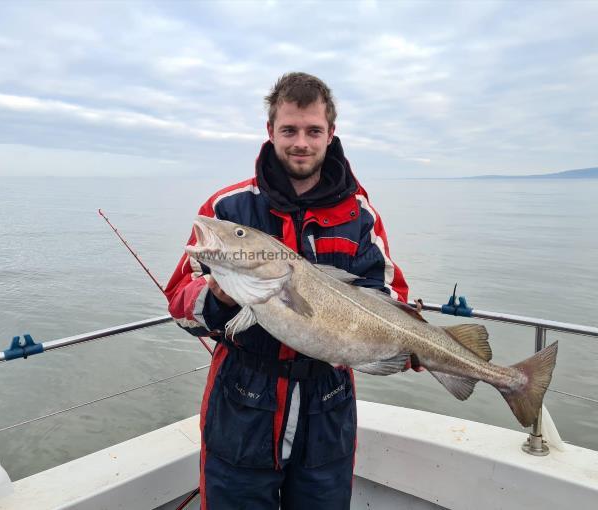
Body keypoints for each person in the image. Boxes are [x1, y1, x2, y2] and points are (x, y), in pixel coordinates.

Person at [165, 72, 413, 510]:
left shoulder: (360, 214)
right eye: (290, 130)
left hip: (329, 402)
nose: (302, 142)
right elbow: (180, 301)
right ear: (270, 132)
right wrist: (220, 296)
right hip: (242, 401)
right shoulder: (228, 210)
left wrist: (399, 344)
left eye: (313, 131)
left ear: (331, 134)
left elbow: (388, 292)